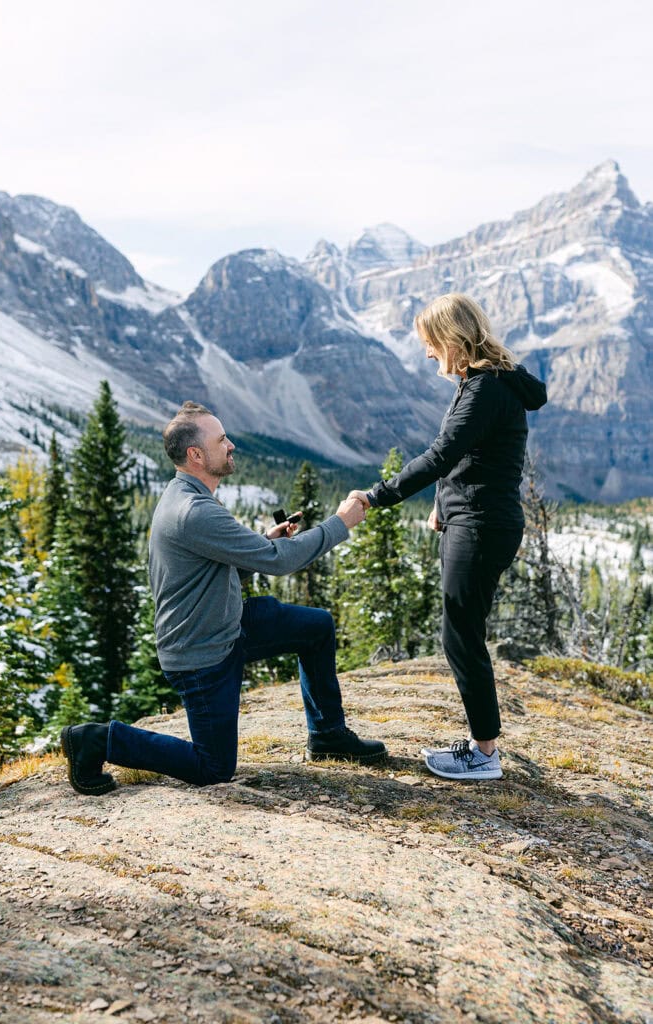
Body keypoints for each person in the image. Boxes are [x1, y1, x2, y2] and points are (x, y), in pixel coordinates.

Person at [62, 402, 387, 796]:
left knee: (315, 627)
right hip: (202, 652)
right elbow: (281, 562)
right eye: (221, 440)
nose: (231, 445)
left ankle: (328, 735)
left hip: (227, 623)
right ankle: (96, 739)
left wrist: (262, 543)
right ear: (196, 455)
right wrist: (341, 523)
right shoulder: (193, 510)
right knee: (213, 767)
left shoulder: (188, 495)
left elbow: (216, 567)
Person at [351, 293, 547, 782]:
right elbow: (469, 457)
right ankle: (483, 746)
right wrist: (444, 502)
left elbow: (441, 454)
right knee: (461, 632)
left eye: (430, 342)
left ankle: (484, 754)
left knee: (460, 635)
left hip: (481, 525)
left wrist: (375, 497)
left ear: (453, 338)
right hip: (474, 519)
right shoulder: (487, 383)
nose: (426, 352)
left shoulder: (485, 389)